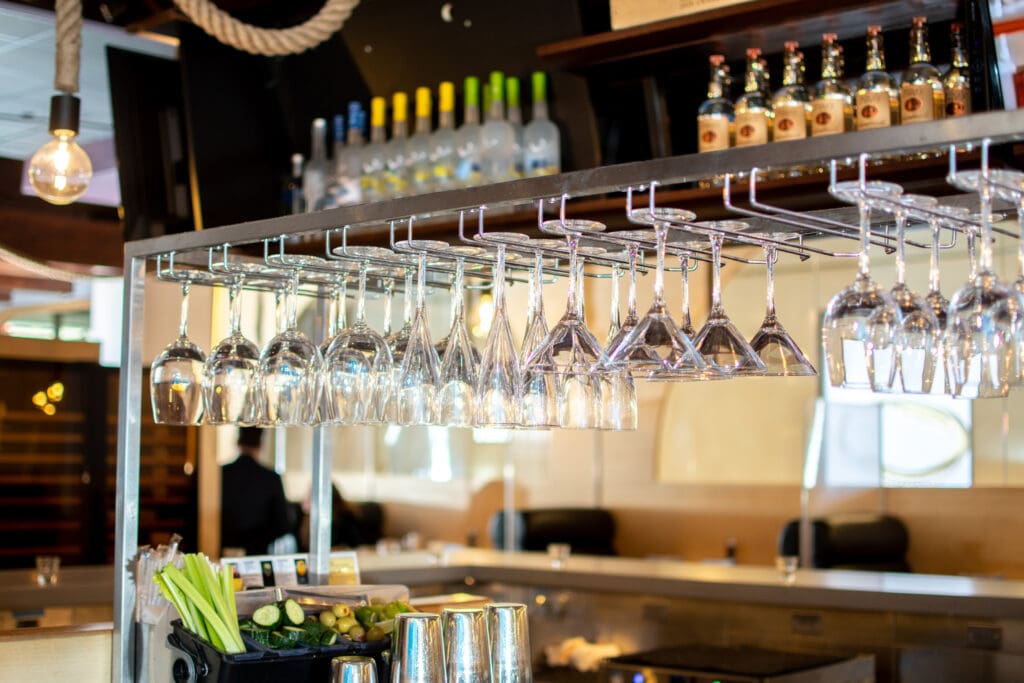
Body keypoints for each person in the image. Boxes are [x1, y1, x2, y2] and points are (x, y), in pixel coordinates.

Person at [221, 427, 296, 556]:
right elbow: (283, 524)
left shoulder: (220, 474)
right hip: (256, 555)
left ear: (238, 442)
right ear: (261, 445)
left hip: (220, 553)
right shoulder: (271, 478)